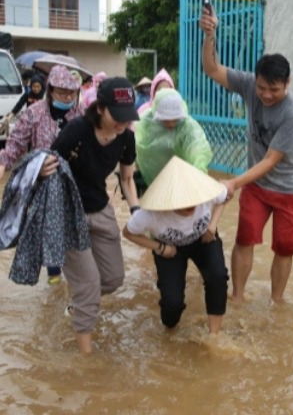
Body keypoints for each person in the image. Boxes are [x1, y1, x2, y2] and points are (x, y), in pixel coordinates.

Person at [199, 8, 293, 303]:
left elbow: (272, 160)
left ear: (287, 84)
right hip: (258, 188)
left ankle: (276, 302)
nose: (266, 95)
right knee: (244, 238)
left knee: (284, 249)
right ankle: (237, 298)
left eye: (274, 89)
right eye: (262, 88)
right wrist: (210, 34)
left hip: (289, 187)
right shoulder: (248, 85)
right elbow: (211, 69)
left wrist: (234, 182)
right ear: (255, 80)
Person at [42, 77, 140, 353]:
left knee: (113, 279)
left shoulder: (126, 139)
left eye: (127, 116)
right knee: (89, 283)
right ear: (100, 108)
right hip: (68, 213)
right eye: (116, 116)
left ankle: (77, 305)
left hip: (101, 209)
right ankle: (86, 360)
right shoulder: (77, 131)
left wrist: (136, 209)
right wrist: (40, 169)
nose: (122, 123)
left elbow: (127, 178)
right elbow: (48, 163)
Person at [123, 156, 228, 335]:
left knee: (217, 278)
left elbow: (225, 196)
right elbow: (128, 232)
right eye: (184, 202)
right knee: (172, 306)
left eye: (193, 199)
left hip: (203, 239)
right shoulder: (149, 214)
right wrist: (159, 248)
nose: (192, 206)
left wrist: (212, 225)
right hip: (169, 250)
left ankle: (214, 335)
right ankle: (169, 332)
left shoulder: (203, 191)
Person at [0, 65, 85, 285]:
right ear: (50, 90)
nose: (67, 97)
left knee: (75, 232)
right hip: (44, 179)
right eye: (61, 92)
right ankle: (54, 274)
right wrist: (4, 165)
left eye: (71, 93)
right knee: (48, 227)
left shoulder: (80, 114)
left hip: (75, 181)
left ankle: (75, 278)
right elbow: (15, 145)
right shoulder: (34, 113)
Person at [135, 87, 213, 188]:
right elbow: (134, 141)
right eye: (166, 120)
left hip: (181, 181)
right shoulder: (146, 121)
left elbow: (197, 147)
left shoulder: (187, 126)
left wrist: (199, 170)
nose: (171, 124)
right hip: (152, 180)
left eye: (175, 119)